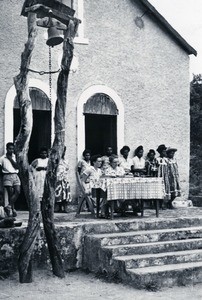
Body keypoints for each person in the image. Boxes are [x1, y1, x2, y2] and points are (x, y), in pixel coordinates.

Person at [0, 142, 21, 217]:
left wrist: (10, 159)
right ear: (6, 149)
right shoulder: (2, 158)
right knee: (10, 193)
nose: (11, 150)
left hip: (15, 175)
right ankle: (11, 210)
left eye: (12, 149)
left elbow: (17, 166)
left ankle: (8, 206)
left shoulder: (15, 157)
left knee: (18, 191)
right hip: (7, 175)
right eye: (9, 149)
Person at [55, 147, 71, 212]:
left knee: (65, 192)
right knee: (58, 192)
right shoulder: (56, 160)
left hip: (65, 178)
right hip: (57, 178)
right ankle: (58, 207)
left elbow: (67, 169)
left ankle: (65, 207)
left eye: (63, 151)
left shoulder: (66, 160)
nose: (63, 153)